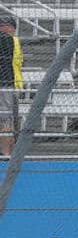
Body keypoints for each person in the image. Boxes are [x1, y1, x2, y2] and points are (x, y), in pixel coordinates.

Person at [0, 14, 23, 157]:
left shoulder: (7, 40)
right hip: (10, 86)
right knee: (8, 120)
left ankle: (6, 153)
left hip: (6, 85)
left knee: (6, 120)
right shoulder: (14, 41)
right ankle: (8, 153)